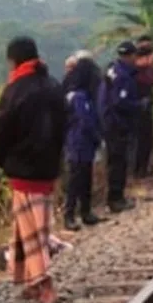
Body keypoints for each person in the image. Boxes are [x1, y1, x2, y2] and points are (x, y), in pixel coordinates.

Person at [0, 37, 67, 303]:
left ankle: (44, 284)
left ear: (13, 60)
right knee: (27, 225)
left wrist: (1, 159)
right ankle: (28, 280)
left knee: (34, 231)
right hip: (48, 168)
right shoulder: (53, 85)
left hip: (23, 170)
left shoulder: (15, 90)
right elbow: (66, 124)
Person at [63, 56, 104, 230]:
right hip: (78, 143)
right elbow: (85, 121)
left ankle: (86, 212)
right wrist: (98, 138)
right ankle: (69, 214)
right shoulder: (78, 96)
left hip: (85, 144)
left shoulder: (85, 95)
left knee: (86, 177)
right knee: (75, 179)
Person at [103, 41, 142, 211]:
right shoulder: (123, 76)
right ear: (130, 56)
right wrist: (139, 105)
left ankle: (116, 196)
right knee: (118, 161)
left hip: (109, 122)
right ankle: (116, 199)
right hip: (117, 123)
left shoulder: (111, 70)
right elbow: (121, 102)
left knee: (115, 160)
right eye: (134, 56)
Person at [132, 36, 153, 179]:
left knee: (147, 137)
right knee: (138, 139)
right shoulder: (135, 68)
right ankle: (137, 169)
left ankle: (145, 167)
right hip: (137, 104)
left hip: (147, 101)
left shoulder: (149, 68)